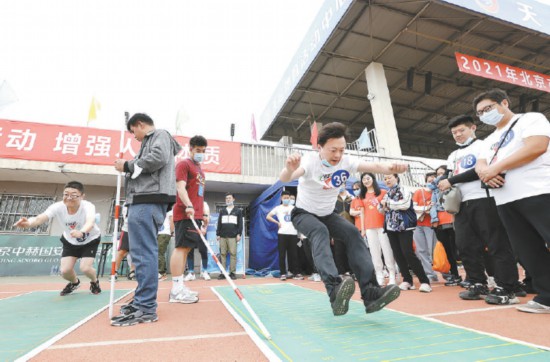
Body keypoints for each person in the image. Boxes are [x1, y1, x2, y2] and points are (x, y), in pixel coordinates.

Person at [280, 122, 405, 316]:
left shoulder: (346, 162)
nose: (337, 155)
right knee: (319, 231)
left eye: (341, 149)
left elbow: (376, 165)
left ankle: (371, 293)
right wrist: (289, 168)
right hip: (303, 213)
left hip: (328, 214)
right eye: (332, 150)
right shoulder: (310, 160)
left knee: (353, 234)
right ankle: (334, 288)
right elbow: (287, 178)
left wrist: (393, 167)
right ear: (319, 147)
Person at [474, 88, 550, 313]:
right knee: (528, 250)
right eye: (480, 113)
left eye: (488, 108)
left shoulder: (530, 119)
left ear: (504, 103)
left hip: (538, 191)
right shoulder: (489, 139)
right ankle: (546, 296)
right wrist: (485, 172)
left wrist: (496, 167)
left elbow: (536, 146)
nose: (485, 114)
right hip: (506, 200)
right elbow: (481, 164)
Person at [438, 113, 521, 305]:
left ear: (473, 128)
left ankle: (507, 287)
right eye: (454, 132)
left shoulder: (484, 146)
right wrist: (446, 181)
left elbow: (480, 171)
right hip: (461, 204)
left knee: (496, 243)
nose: (457, 135)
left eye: (461, 130)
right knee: (466, 245)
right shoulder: (453, 155)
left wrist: (450, 180)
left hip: (485, 199)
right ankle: (477, 282)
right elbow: (448, 177)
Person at [111, 113, 181, 326]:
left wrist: (128, 165)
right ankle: (142, 300)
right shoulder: (153, 139)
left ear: (139, 124)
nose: (134, 137)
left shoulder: (159, 135)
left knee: (143, 253)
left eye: (134, 132)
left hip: (148, 199)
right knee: (142, 253)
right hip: (145, 200)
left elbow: (157, 158)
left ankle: (146, 306)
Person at [14, 181, 102, 296]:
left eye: (74, 195)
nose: (69, 198)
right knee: (65, 271)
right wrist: (29, 223)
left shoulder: (88, 206)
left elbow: (90, 221)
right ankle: (74, 283)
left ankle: (94, 282)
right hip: (70, 241)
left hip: (90, 240)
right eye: (66, 194)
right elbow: (41, 218)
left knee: (85, 268)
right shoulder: (57, 207)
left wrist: (82, 232)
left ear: (82, 196)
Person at [169, 135, 208, 303]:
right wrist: (189, 206)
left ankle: (180, 285)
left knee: (186, 249)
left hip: (196, 215)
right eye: (198, 150)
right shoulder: (184, 164)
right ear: (190, 149)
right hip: (185, 213)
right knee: (181, 248)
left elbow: (198, 193)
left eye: (203, 151)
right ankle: (175, 290)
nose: (201, 154)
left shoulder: (199, 169)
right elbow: (180, 187)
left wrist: (202, 214)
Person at [379, 174, 432, 293]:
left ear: (396, 178)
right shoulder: (386, 194)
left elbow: (405, 205)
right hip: (390, 227)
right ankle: (407, 280)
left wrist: (388, 204)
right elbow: (380, 209)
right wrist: (383, 206)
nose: (387, 180)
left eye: (389, 177)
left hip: (404, 226)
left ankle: (424, 281)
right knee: (397, 254)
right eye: (385, 178)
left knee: (408, 253)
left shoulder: (404, 190)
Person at [351, 173, 397, 286]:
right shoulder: (362, 195)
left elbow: (388, 209)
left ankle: (392, 275)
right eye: (364, 179)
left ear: (373, 179)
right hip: (369, 227)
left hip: (383, 226)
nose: (366, 181)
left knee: (387, 250)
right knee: (374, 253)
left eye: (368, 178)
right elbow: (362, 213)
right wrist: (363, 229)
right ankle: (379, 275)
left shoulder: (383, 192)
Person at [267, 190, 303, 281]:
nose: (286, 199)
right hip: (282, 234)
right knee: (282, 255)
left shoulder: (294, 208)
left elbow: (300, 219)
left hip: (293, 234)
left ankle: (296, 273)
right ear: (281, 199)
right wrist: (277, 222)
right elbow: (268, 216)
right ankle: (283, 273)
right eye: (284, 198)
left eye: (288, 198)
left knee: (294, 255)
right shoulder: (278, 208)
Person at [412, 172, 438, 283]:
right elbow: (413, 206)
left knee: (433, 249)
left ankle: (444, 272)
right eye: (429, 178)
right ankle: (429, 273)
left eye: (434, 177)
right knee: (421, 250)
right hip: (418, 224)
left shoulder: (437, 192)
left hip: (432, 225)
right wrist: (426, 208)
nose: (432, 179)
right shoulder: (419, 192)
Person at [216, 193, 243, 280]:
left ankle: (232, 273)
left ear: (233, 199)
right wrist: (218, 234)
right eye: (226, 198)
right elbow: (219, 223)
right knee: (222, 254)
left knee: (233, 254)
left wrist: (239, 234)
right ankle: (223, 273)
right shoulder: (222, 211)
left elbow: (240, 224)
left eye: (229, 198)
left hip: (233, 236)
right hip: (222, 236)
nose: (228, 200)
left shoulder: (238, 211)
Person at [185, 201, 211, 281]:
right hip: (190, 228)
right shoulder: (188, 203)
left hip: (200, 228)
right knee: (189, 251)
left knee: (203, 250)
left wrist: (205, 227)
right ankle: (191, 272)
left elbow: (206, 216)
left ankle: (204, 271)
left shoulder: (204, 203)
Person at [115, 203, 135, 280]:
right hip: (127, 229)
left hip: (140, 230)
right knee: (122, 251)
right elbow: (126, 217)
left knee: (135, 251)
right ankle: (114, 271)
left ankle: (132, 271)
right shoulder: (127, 203)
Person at [157, 207, 173, 281]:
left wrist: (171, 232)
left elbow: (172, 220)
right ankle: (160, 272)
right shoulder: (158, 208)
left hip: (164, 232)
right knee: (158, 252)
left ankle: (162, 273)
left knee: (159, 252)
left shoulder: (169, 209)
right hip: (159, 233)